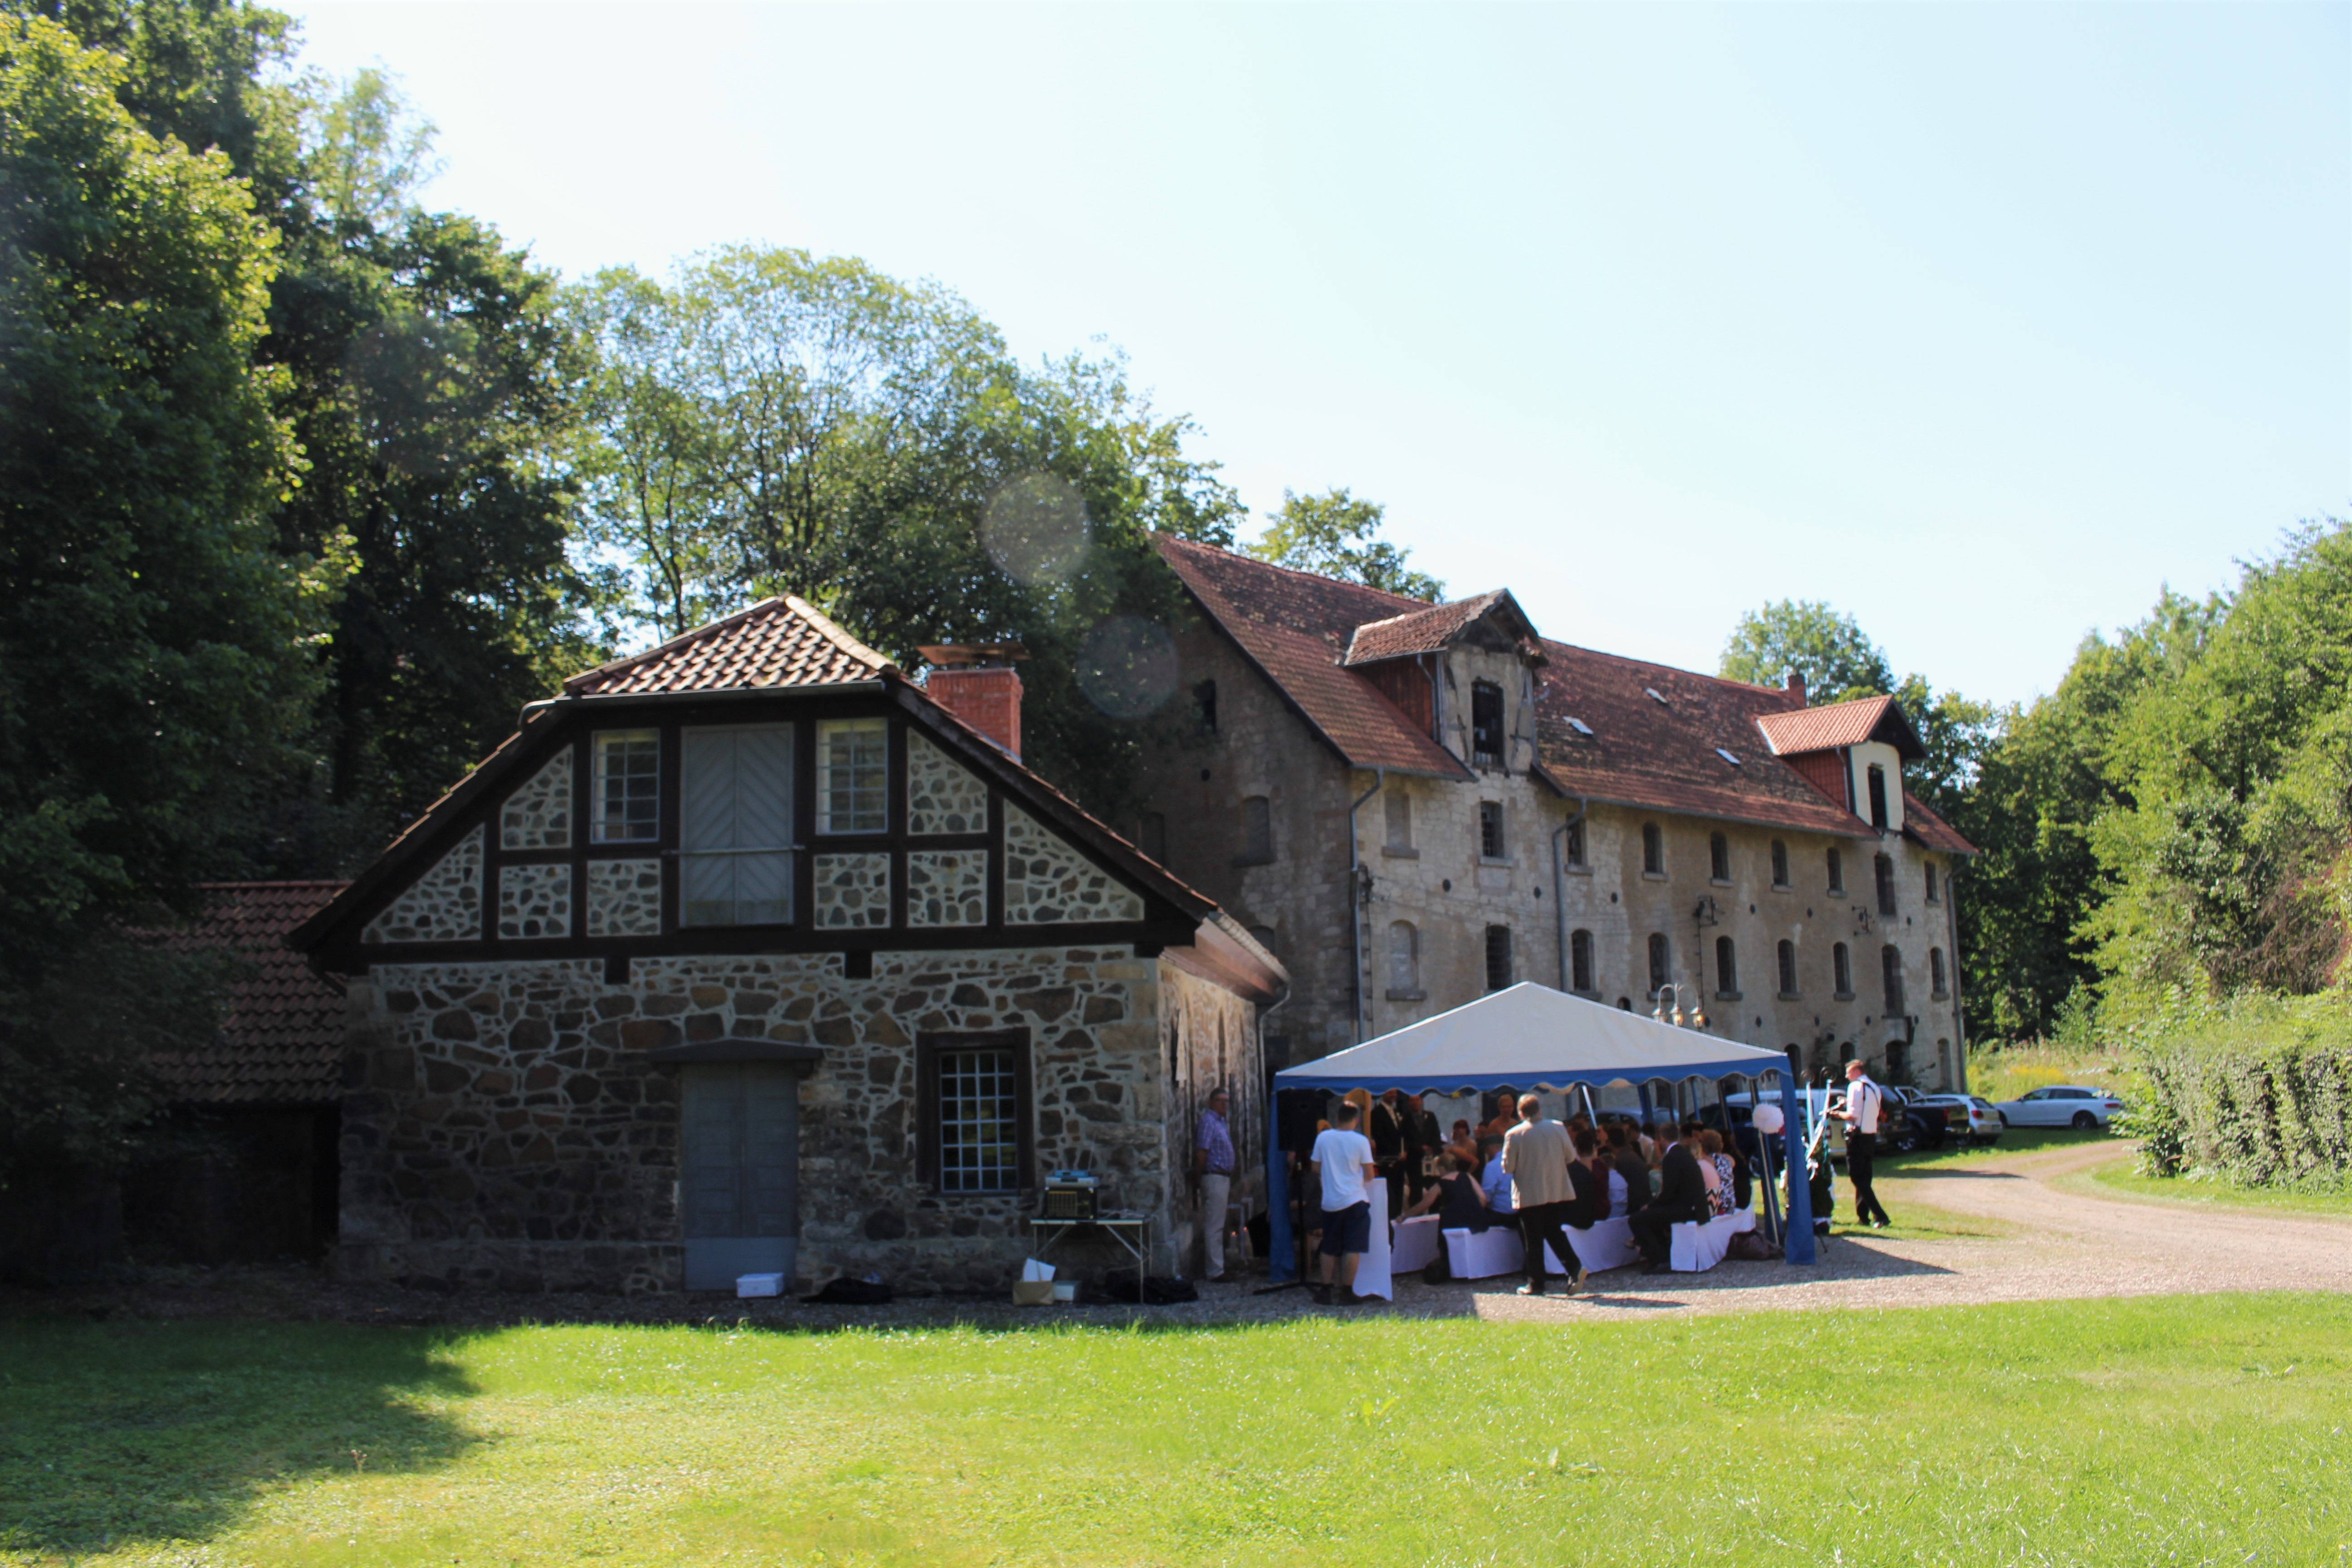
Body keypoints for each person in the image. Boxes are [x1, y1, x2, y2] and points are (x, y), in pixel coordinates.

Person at [1501, 1094, 1587, 1296]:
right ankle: (1574, 1268)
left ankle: (1536, 1282)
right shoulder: (1558, 1127)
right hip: (1555, 1189)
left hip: (1529, 1193)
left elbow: (1508, 1167)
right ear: (1540, 1109)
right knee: (1553, 1231)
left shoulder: (1514, 1134)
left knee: (1533, 1239)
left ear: (1520, 1113)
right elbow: (1571, 1157)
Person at [1309, 1100, 1379, 1306]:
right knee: (1352, 1247)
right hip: (1354, 1198)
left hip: (1331, 1201)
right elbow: (1369, 1174)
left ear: (1337, 1118)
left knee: (1329, 1247)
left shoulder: (1323, 1138)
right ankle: (1347, 1291)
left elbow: (1315, 1168)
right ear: (1356, 1121)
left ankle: (1326, 1289)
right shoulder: (1361, 1141)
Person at [1629, 1122, 1711, 1274]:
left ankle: (1660, 1259)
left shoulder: (1671, 1158)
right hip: (1693, 1207)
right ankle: (1662, 1254)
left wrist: (1652, 1205)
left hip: (1684, 1209)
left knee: (1636, 1219)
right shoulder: (1684, 1154)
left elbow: (1668, 1193)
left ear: (1662, 1139)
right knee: (1650, 1216)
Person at [1838, 1058, 1891, 1228]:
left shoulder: (1855, 1087)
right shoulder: (1875, 1088)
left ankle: (1880, 1215)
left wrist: (1837, 1114)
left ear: (1856, 1072)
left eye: (1848, 1073)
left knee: (1856, 1177)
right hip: (1870, 1135)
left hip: (1857, 1136)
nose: (1847, 1077)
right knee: (1865, 1178)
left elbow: (1853, 1115)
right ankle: (1863, 1217)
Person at [1192, 1087, 1237, 1283]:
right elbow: (1202, 1151)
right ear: (1211, 1102)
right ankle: (1215, 1270)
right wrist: (1198, 1175)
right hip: (1214, 1176)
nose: (1224, 1104)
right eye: (1220, 1101)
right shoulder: (1208, 1122)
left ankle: (1217, 1266)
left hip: (1222, 1177)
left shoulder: (1221, 1123)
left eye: (1227, 1101)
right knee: (1214, 1225)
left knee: (1218, 1223)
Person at [1404, 1151, 1508, 1232]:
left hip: (1454, 1221)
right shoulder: (1467, 1176)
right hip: (1477, 1219)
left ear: (1442, 1168)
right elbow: (1483, 1198)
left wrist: (1405, 1215)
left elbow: (1424, 1205)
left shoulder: (1440, 1184)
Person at [1478, 1135, 1514, 1218]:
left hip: (1499, 1213)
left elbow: (1487, 1194)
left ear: (1490, 1148)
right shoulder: (1517, 1160)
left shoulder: (1492, 1166)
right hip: (1519, 1212)